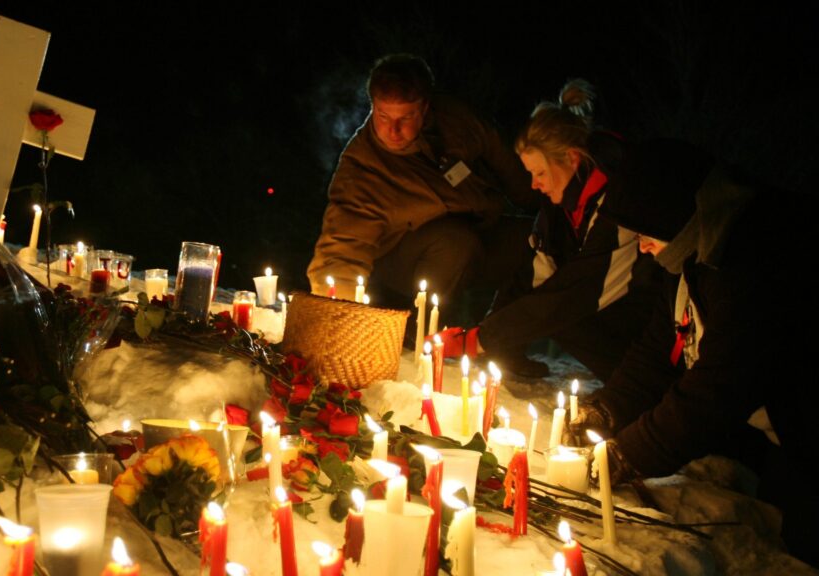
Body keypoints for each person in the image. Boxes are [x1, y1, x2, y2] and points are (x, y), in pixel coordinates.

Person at [567, 138, 819, 566]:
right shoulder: (691, 258)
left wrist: (629, 453)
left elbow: (716, 390)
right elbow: (659, 346)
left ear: (676, 220)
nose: (642, 246)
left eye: (646, 234)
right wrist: (606, 408)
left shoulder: (752, 266)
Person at [306, 54, 537, 330]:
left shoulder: (456, 120)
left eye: (405, 117)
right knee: (455, 244)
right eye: (383, 116)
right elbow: (341, 250)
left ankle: (503, 341)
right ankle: (422, 337)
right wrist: (336, 319)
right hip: (403, 262)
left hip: (478, 233)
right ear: (373, 107)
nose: (393, 130)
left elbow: (510, 167)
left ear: (425, 108)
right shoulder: (363, 167)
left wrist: (552, 208)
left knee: (538, 239)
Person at [464, 80, 662, 380]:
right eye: (530, 174)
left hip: (653, 327)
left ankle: (638, 388)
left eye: (540, 173)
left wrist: (481, 339)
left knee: (558, 309)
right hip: (606, 310)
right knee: (543, 297)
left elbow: (582, 290)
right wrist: (492, 340)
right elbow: (533, 271)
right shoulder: (560, 204)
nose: (534, 184)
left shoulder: (620, 200)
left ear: (572, 158)